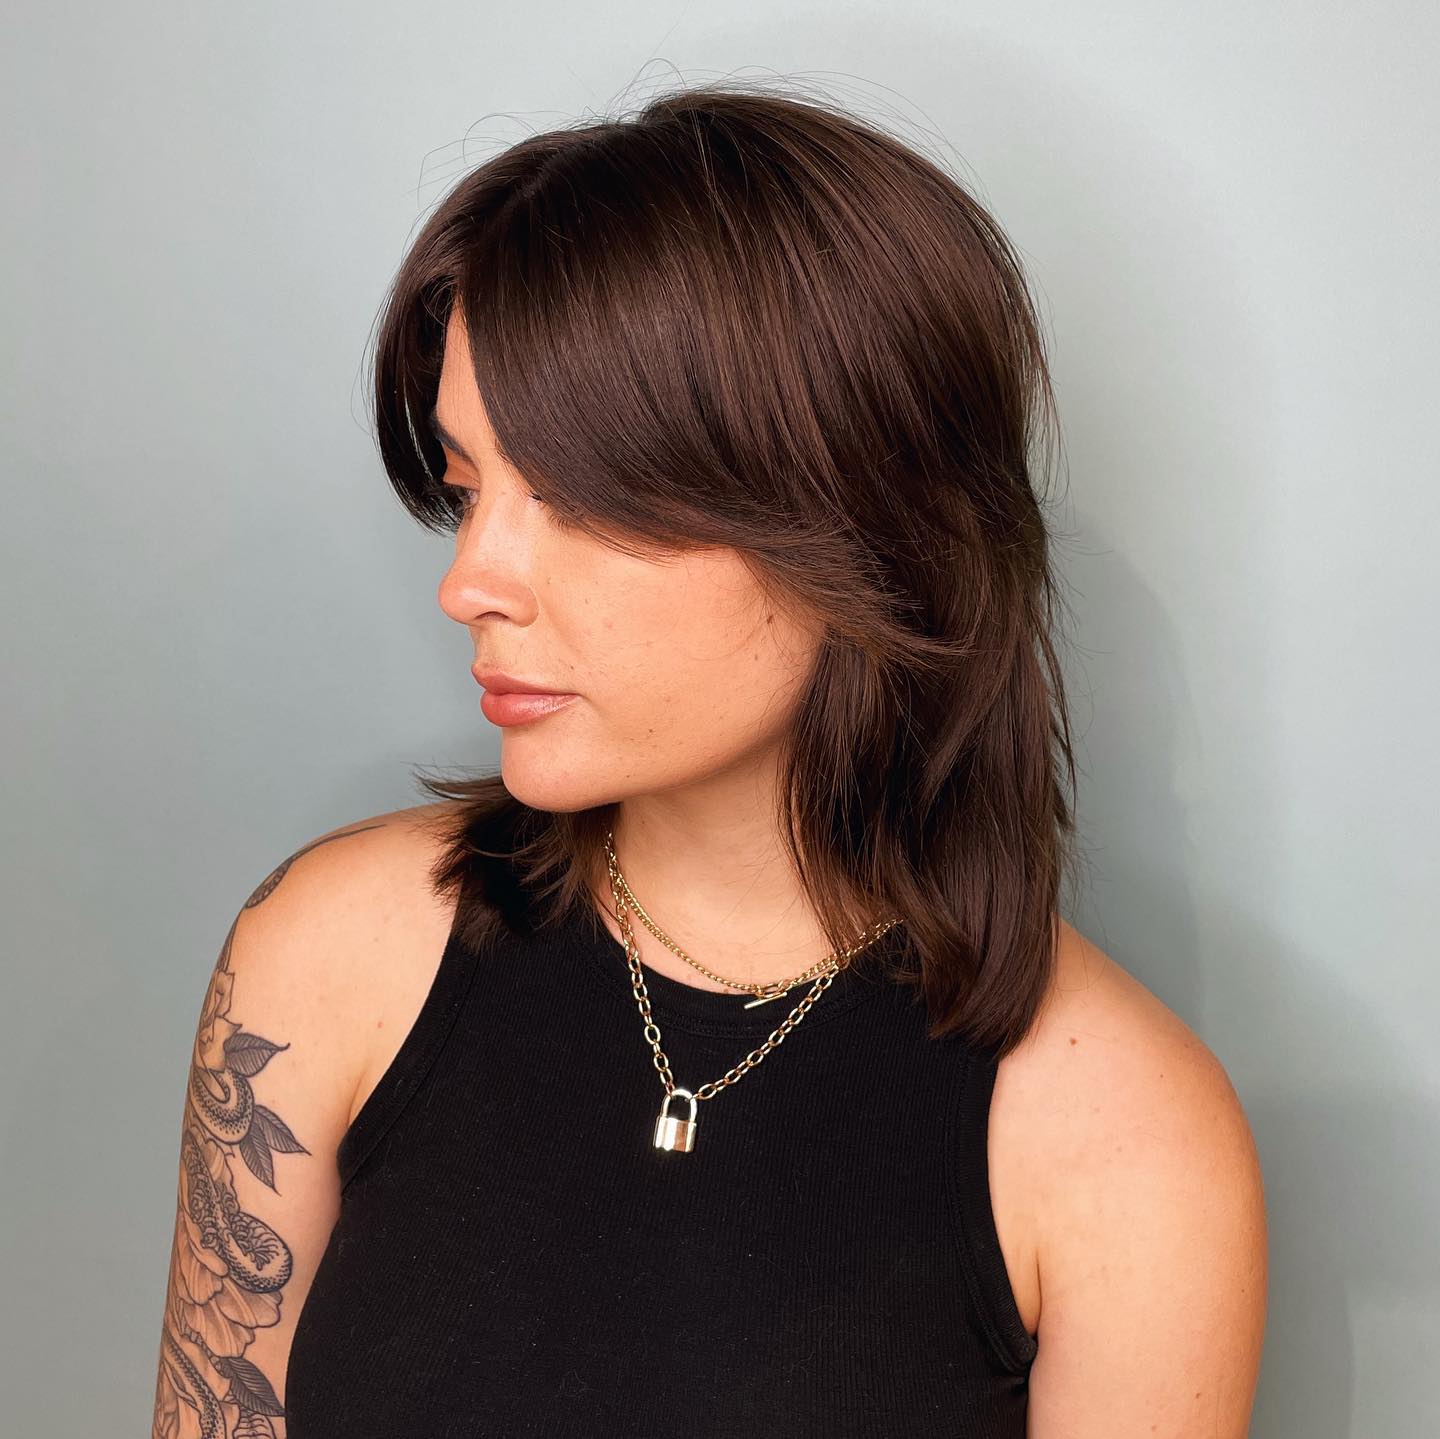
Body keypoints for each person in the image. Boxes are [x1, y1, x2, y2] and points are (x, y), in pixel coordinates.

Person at [150, 80, 1267, 1438]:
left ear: (861, 521)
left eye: (577, 497)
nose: (469, 584)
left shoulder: (1123, 1141)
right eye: (468, 489)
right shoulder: (328, 955)